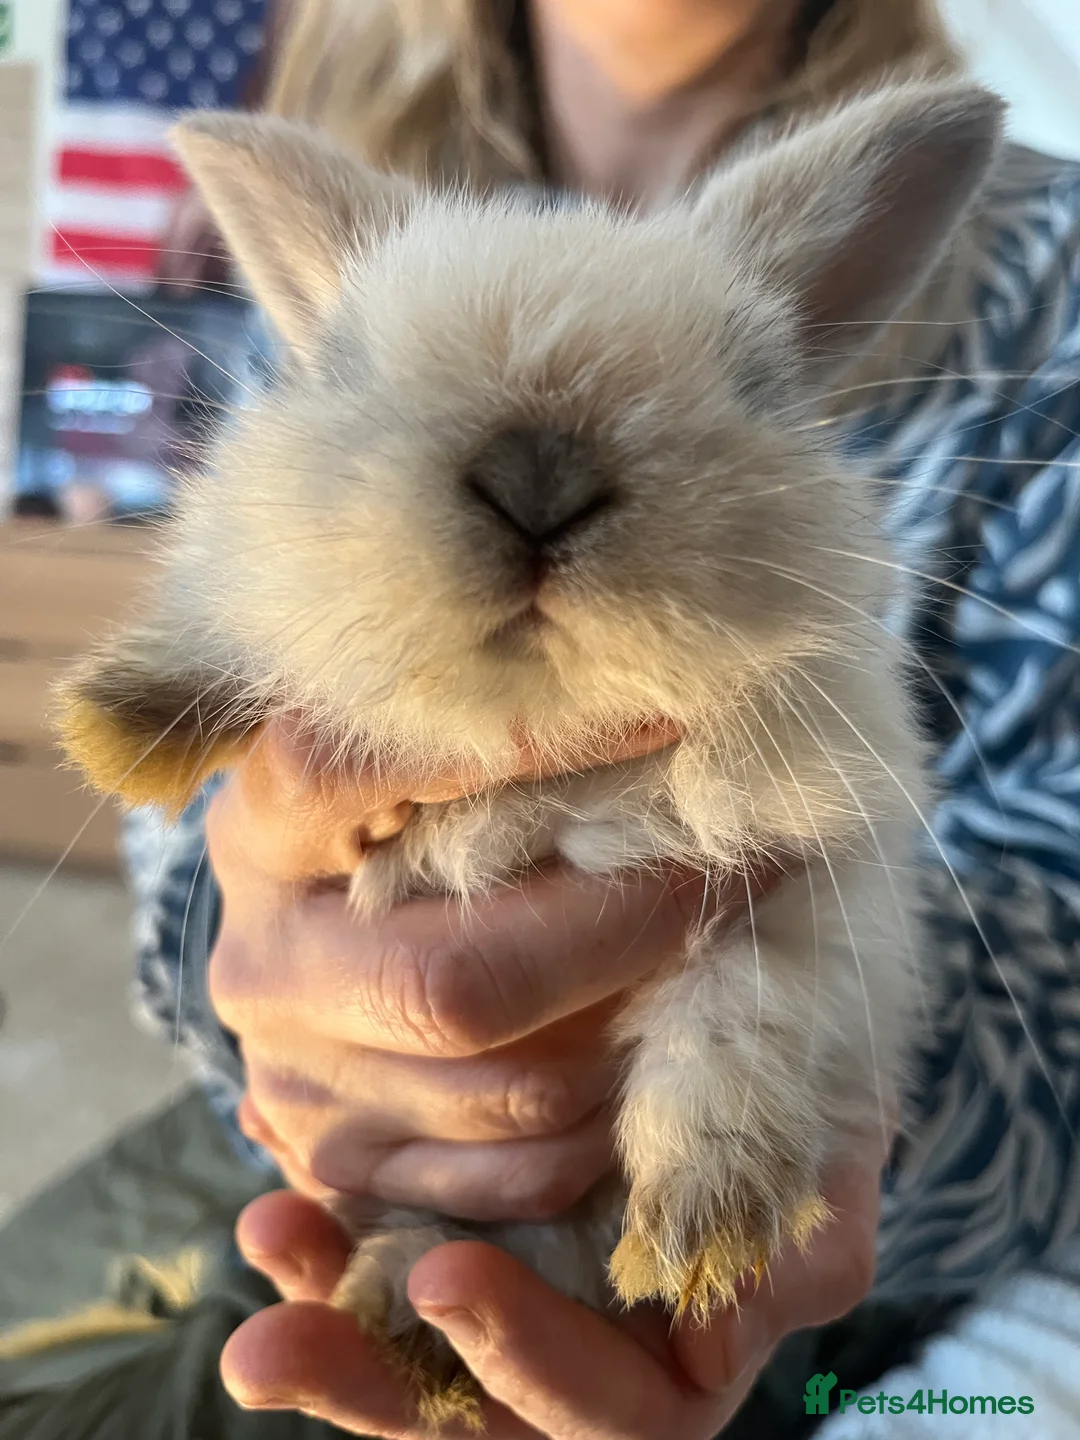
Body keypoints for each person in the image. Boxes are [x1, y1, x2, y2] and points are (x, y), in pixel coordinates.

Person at [116, 0, 1080, 1436]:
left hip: (864, 1315)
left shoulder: (1049, 288)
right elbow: (187, 800)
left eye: (744, 381)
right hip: (326, 1185)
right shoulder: (336, 282)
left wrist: (798, 1081)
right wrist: (270, 981)